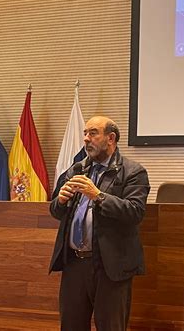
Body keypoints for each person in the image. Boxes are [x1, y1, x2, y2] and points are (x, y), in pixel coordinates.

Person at [49, 116, 150, 331]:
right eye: (85, 133)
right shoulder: (76, 169)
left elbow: (135, 212)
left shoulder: (133, 172)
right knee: (71, 325)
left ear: (111, 138)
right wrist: (61, 200)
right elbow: (55, 210)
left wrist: (98, 195)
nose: (86, 139)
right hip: (74, 264)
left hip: (110, 266)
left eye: (93, 133)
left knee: (110, 326)